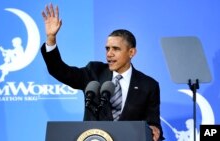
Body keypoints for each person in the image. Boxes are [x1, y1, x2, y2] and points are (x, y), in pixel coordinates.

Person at [41, 3, 164, 141]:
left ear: (131, 52)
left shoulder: (148, 85)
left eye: (115, 49)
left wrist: (155, 129)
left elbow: (153, 122)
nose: (109, 54)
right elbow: (60, 71)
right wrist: (51, 39)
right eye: (107, 48)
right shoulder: (94, 72)